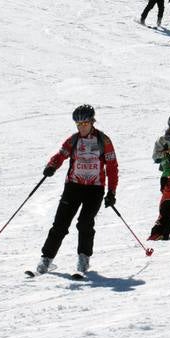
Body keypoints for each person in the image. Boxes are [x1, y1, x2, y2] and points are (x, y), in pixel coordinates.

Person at [36, 105, 119, 275]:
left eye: (85, 123)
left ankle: (83, 260)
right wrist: (52, 166)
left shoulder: (104, 141)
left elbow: (112, 167)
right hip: (73, 186)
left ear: (92, 122)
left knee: (85, 223)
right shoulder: (73, 140)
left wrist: (111, 192)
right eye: (78, 124)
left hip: (95, 189)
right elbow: (61, 155)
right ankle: (46, 259)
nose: (82, 127)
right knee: (60, 224)